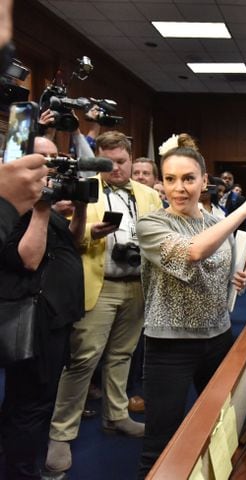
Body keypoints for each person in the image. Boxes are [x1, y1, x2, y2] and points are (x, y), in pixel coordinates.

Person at [134, 146, 246, 477]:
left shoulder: (215, 223)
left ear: (204, 180)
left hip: (218, 338)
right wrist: (240, 214)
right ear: (162, 184)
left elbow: (225, 276)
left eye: (189, 178)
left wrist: (242, 277)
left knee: (222, 427)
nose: (179, 188)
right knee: (160, 443)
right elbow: (192, 252)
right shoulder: (151, 224)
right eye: (170, 179)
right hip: (169, 345)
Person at [46, 132, 163, 474]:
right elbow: (67, 238)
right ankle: (61, 433)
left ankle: (116, 416)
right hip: (100, 284)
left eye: (122, 162)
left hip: (137, 285)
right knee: (83, 359)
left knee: (122, 355)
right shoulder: (85, 190)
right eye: (108, 162)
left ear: (132, 158)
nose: (116, 168)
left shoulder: (148, 195)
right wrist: (90, 234)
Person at [0, 137, 85, 480]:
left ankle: (13, 454)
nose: (50, 166)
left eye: (54, 158)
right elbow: (28, 260)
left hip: (56, 317)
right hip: (32, 319)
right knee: (31, 404)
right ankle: (21, 472)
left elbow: (73, 240)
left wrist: (79, 208)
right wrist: (41, 207)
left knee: (35, 400)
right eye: (42, 158)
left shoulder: (44, 205)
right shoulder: (14, 206)